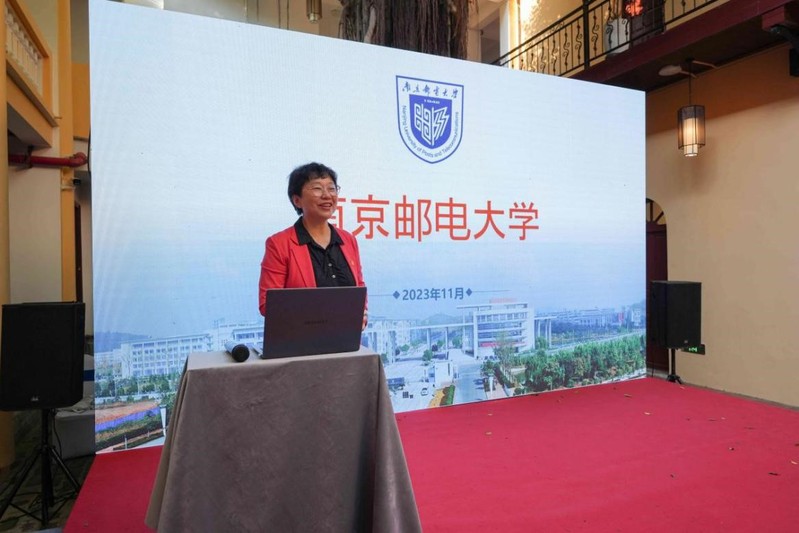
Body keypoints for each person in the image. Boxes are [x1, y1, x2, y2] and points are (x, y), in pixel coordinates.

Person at [258, 162, 367, 328]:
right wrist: (319, 317)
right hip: (302, 340)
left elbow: (359, 286)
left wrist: (362, 313)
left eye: (331, 188)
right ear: (297, 200)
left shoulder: (348, 240)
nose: (327, 195)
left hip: (347, 339)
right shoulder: (279, 244)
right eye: (317, 188)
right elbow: (268, 303)